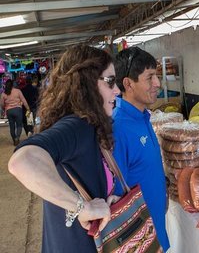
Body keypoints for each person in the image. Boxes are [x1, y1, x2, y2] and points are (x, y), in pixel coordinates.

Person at [8, 45, 121, 252]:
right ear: (86, 82)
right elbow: (22, 161)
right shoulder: (77, 125)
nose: (117, 90)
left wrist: (106, 199)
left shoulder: (87, 124)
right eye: (110, 81)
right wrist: (81, 207)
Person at [113, 46, 170, 252]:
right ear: (128, 83)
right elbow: (116, 197)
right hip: (139, 240)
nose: (158, 83)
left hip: (156, 229)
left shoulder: (144, 116)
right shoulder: (118, 128)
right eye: (150, 77)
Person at [0, 79, 30, 145]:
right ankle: (17, 138)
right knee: (19, 125)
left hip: (9, 111)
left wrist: (4, 109)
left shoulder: (3, 93)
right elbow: (23, 100)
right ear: (13, 84)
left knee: (12, 126)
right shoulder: (17, 91)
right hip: (18, 110)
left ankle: (14, 139)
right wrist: (28, 108)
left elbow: (1, 104)